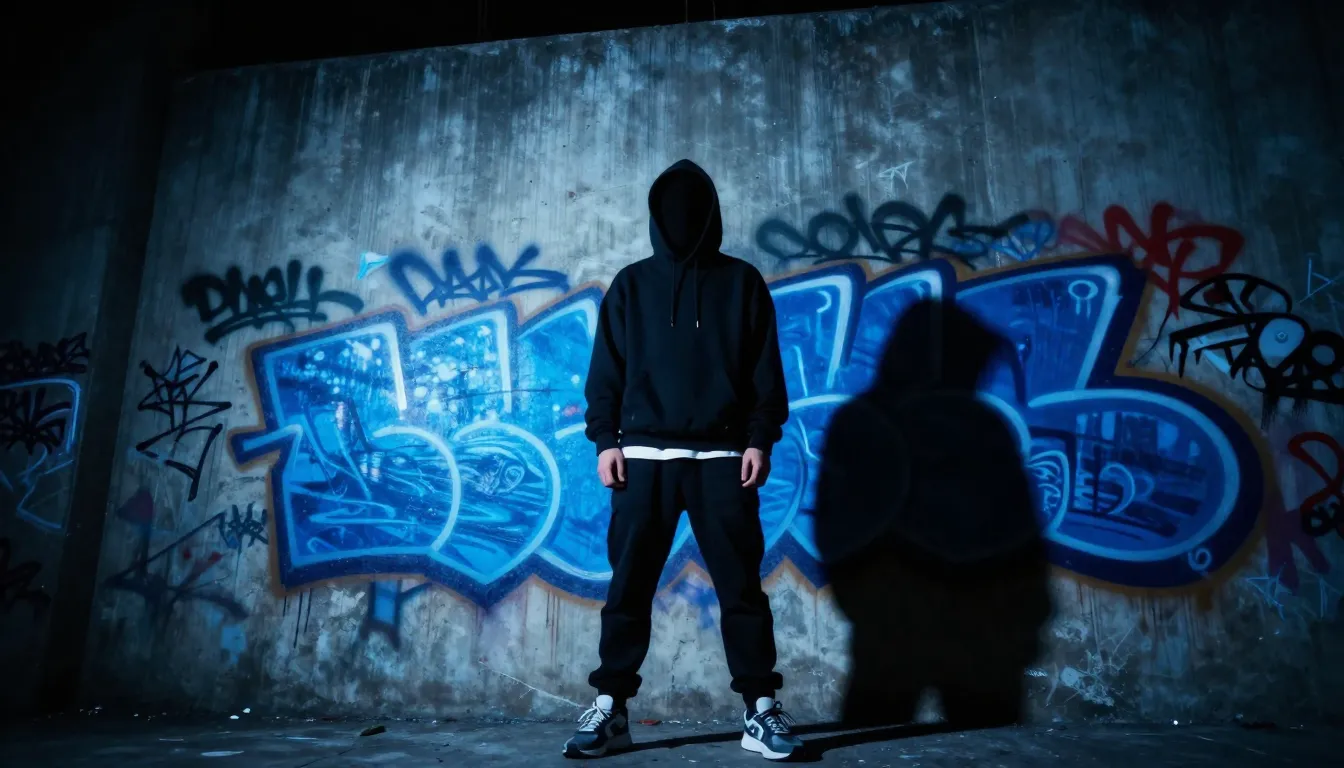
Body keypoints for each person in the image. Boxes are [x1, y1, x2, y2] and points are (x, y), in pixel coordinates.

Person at [564, 159, 800, 761]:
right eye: (671, 209)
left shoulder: (742, 282)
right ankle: (611, 708)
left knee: (741, 590)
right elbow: (605, 373)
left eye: (694, 208)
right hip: (642, 460)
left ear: (713, 215)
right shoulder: (631, 285)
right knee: (629, 589)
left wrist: (759, 439)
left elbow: (765, 372)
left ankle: (760, 710)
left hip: (724, 457)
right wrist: (605, 442)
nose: (681, 219)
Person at [813, 298, 1052, 728]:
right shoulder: (973, 424)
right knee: (969, 737)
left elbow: (834, 528)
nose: (977, 372)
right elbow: (1018, 531)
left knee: (880, 737)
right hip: (935, 616)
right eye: (970, 360)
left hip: (932, 617)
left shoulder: (867, 420)